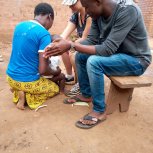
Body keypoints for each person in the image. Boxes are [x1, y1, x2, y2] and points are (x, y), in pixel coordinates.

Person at [44, 0, 152, 129]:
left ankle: (100, 111)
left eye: (87, 7)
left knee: (94, 62)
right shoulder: (97, 14)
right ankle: (86, 94)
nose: (86, 11)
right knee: (80, 56)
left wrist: (71, 45)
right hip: (117, 55)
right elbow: (92, 40)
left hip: (136, 60)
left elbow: (107, 49)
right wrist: (66, 46)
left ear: (98, 1)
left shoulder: (127, 10)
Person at [6, 3, 59, 110]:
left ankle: (17, 91)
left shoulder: (19, 26)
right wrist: (55, 72)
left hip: (10, 78)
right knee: (55, 89)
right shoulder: (44, 34)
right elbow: (43, 70)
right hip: (27, 82)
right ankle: (27, 95)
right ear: (49, 17)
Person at [61, 0, 92, 96]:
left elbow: (85, 38)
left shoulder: (89, 15)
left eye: (72, 4)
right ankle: (70, 76)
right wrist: (57, 43)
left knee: (74, 55)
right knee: (63, 48)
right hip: (81, 44)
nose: (70, 6)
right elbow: (64, 35)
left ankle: (81, 83)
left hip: (92, 46)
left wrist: (70, 44)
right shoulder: (76, 16)